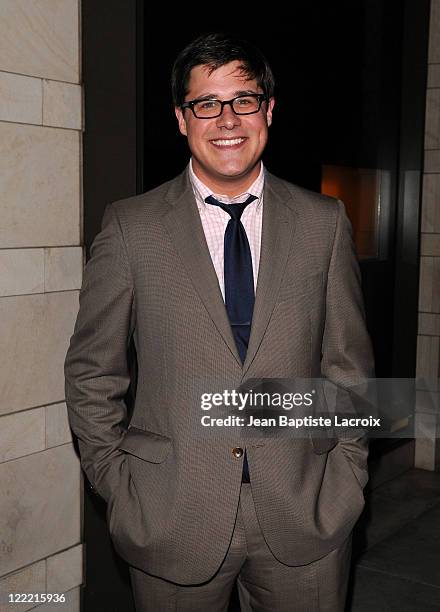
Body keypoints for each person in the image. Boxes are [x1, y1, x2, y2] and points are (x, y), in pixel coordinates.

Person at [64, 32, 374, 611]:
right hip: (171, 512)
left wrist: (346, 473)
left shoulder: (323, 223)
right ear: (182, 119)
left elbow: (348, 365)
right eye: (206, 103)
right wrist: (118, 484)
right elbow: (92, 372)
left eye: (243, 99)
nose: (226, 119)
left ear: (269, 110)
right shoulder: (131, 228)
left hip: (307, 510)